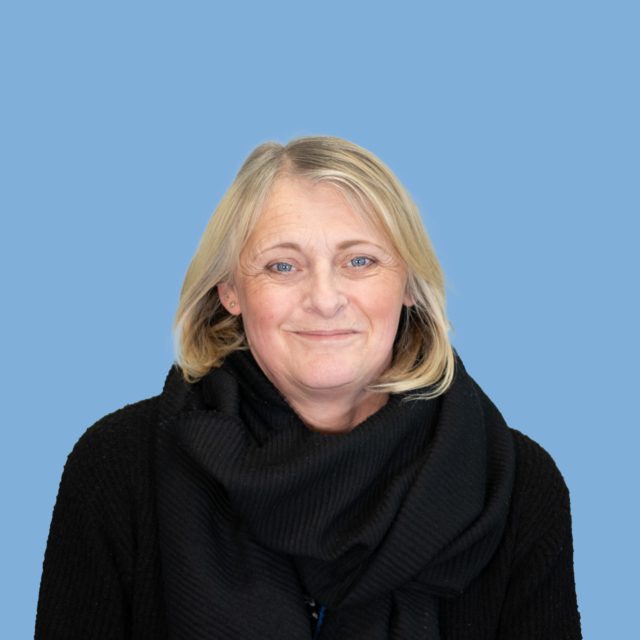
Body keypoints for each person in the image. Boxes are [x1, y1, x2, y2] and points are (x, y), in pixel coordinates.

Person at [35, 136, 582, 639]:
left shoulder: (512, 485)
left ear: (409, 286)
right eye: (282, 266)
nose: (324, 298)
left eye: (360, 261)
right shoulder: (119, 467)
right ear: (230, 290)